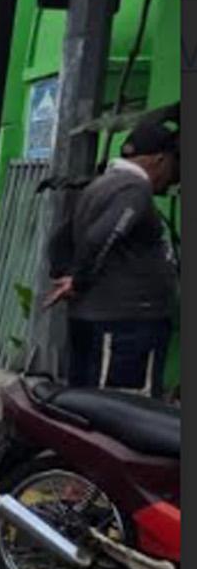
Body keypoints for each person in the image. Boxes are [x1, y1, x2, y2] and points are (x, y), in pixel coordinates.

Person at [47, 116, 180, 395]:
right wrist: (79, 281)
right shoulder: (135, 189)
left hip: (97, 318)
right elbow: (104, 234)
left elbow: (61, 237)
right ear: (159, 160)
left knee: (86, 406)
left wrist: (66, 276)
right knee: (121, 411)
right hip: (125, 326)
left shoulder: (100, 185)